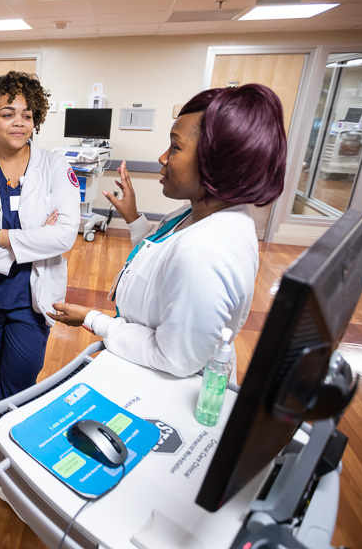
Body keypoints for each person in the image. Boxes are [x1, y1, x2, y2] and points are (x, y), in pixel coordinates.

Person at [49, 83, 287, 379]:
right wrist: (134, 219)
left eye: (175, 147)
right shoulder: (203, 214)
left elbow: (174, 359)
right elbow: (161, 256)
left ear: (218, 162)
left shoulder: (205, 252)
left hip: (165, 386)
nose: (163, 158)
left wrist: (94, 319)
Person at [0, 71, 80, 403]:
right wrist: (35, 241)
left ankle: (4, 447)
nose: (19, 122)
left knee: (17, 388)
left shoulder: (54, 167)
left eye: (27, 114)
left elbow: (65, 237)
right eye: (7, 114)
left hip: (32, 300)